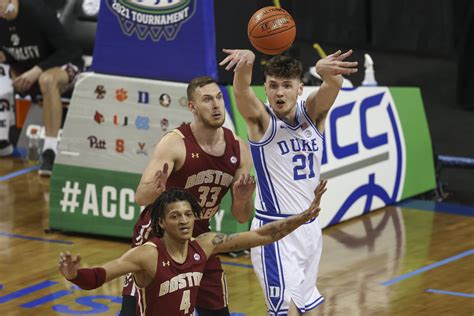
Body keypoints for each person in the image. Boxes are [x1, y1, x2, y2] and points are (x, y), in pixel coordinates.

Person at [220, 48, 357, 315]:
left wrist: (325, 71)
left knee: (306, 309)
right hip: (275, 230)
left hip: (309, 229)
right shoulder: (262, 122)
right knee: (285, 312)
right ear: (266, 90)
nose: (279, 92)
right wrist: (244, 65)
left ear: (300, 88)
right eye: (272, 86)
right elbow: (241, 92)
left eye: (286, 85)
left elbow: (333, 84)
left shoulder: (314, 114)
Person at [59, 184, 326, 316]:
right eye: (175, 216)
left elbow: (262, 234)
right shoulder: (148, 254)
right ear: (161, 222)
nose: (184, 221)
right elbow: (100, 276)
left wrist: (302, 218)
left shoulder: (205, 244)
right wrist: (74, 275)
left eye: (188, 214)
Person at [120, 76, 255, 316]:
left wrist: (243, 200)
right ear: (192, 107)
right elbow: (141, 197)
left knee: (217, 311)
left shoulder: (239, 148)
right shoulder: (175, 143)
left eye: (218, 98)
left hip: (200, 235)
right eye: (207, 99)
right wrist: (155, 189)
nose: (216, 105)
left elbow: (241, 216)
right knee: (139, 309)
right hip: (159, 233)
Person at [0, 0, 83, 174]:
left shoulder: (36, 11)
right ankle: (2, 139)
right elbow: (9, 56)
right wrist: (16, 75)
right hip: (30, 75)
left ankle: (50, 150)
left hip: (65, 67)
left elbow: (69, 50)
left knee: (47, 79)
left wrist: (36, 71)